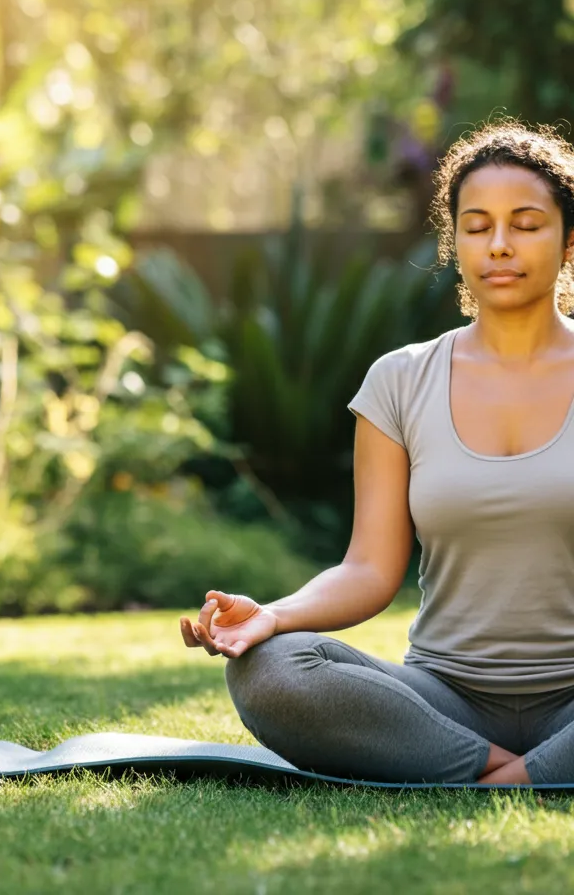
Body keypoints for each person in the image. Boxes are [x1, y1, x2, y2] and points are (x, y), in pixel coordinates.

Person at [179, 119, 574, 786]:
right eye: (477, 227)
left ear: (569, 241)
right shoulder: (400, 380)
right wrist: (273, 615)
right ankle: (518, 775)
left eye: (526, 224)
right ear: (455, 244)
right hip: (444, 703)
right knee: (270, 667)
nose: (500, 245)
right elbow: (368, 569)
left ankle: (497, 780)